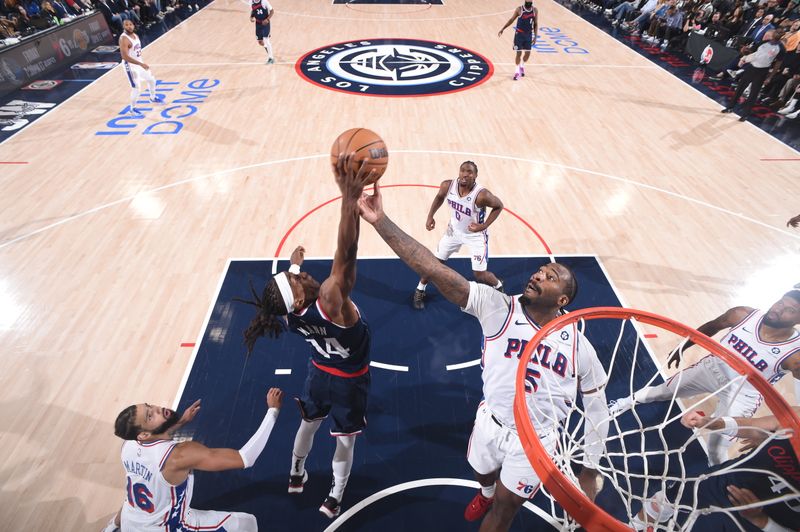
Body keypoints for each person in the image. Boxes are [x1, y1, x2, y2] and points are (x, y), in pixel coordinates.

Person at [356, 182, 610, 532]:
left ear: (562, 301)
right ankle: (486, 489)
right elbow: (434, 268)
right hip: (492, 422)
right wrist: (380, 220)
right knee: (482, 473)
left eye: (550, 277)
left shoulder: (579, 346)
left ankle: (496, 498)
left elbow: (597, 406)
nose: (538, 274)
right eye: (540, 270)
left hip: (537, 441)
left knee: (504, 512)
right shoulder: (497, 307)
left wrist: (590, 468)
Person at [235, 155, 376, 519]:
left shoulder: (287, 315)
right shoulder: (330, 299)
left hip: (319, 373)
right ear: (299, 295)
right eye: (297, 279)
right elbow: (346, 253)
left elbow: (287, 290)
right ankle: (336, 493)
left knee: (308, 424)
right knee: (345, 440)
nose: (301, 275)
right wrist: (350, 200)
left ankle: (296, 472)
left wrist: (294, 266)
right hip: (349, 381)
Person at [609, 289, 800, 465]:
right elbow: (711, 326)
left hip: (743, 394)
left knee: (717, 446)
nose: (778, 309)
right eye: (780, 302)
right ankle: (623, 402)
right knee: (663, 391)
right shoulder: (742, 315)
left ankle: (715, 473)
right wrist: (683, 346)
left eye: (789, 310)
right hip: (712, 369)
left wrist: (775, 430)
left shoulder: (795, 355)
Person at [101, 388, 283, 532]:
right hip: (166, 528)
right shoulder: (180, 455)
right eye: (150, 416)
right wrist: (272, 410)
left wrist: (180, 423)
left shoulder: (129, 445)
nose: (157, 409)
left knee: (130, 499)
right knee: (247, 524)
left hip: (130, 522)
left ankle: (111, 527)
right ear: (144, 433)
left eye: (150, 406)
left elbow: (155, 441)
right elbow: (245, 458)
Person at [631, 409, 800, 531]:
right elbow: (750, 426)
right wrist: (706, 422)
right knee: (666, 499)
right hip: (726, 480)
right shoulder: (797, 417)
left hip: (758, 522)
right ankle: (634, 526)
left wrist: (762, 521)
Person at [413, 161, 504, 310]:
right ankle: (420, 289)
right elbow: (439, 197)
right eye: (462, 171)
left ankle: (498, 286)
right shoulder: (447, 186)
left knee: (480, 274)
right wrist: (430, 216)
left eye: (469, 172)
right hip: (453, 232)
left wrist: (484, 225)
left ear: (475, 176)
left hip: (475, 236)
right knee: (434, 264)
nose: (465, 174)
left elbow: (499, 206)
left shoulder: (482, 195)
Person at [721, 29, 785, 121]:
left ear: (782, 35)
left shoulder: (781, 48)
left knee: (753, 93)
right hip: (752, 67)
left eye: (780, 33)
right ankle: (730, 107)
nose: (778, 34)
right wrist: (744, 51)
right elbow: (751, 52)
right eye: (777, 32)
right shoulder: (763, 43)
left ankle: (745, 114)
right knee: (740, 88)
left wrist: (770, 77)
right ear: (774, 33)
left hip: (762, 71)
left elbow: (778, 64)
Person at [118, 19, 162, 116]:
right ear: (123, 27)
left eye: (130, 24)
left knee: (151, 80)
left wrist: (141, 62)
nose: (129, 26)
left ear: (133, 25)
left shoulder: (135, 36)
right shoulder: (123, 39)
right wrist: (140, 64)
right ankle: (132, 109)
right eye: (126, 25)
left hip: (138, 63)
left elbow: (136, 52)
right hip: (130, 66)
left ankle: (152, 97)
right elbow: (124, 56)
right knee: (136, 88)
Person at [498, 1, 538, 80]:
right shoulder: (519, 9)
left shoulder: (535, 10)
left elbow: (536, 24)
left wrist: (535, 36)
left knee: (527, 55)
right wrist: (503, 28)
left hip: (528, 35)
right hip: (519, 35)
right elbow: (511, 20)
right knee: (518, 53)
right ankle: (516, 72)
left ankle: (522, 66)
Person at [249, 0, 274, 64]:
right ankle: (269, 52)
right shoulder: (251, 2)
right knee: (260, 42)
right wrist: (251, 17)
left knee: (266, 39)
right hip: (258, 23)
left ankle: (271, 58)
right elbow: (253, 10)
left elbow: (272, 11)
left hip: (265, 23)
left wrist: (267, 19)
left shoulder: (264, 2)